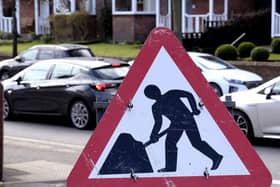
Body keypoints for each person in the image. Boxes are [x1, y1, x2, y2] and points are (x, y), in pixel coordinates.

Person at [144, 84, 223, 172]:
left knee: (196, 142)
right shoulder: (155, 107)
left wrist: (194, 108)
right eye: (151, 94)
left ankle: (216, 157)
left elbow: (188, 94)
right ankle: (170, 168)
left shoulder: (171, 94)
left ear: (158, 90)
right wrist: (153, 134)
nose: (155, 94)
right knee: (170, 143)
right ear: (150, 97)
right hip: (176, 124)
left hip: (187, 119)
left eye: (154, 91)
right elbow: (158, 122)